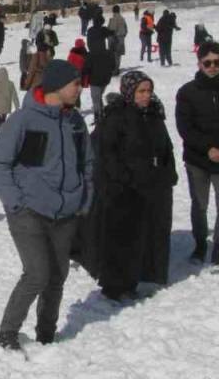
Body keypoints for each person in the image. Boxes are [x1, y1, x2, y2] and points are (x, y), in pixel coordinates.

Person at [0, 59, 94, 351]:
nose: (79, 88)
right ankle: (8, 332)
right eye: (75, 84)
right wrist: (16, 204)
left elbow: (87, 163)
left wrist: (84, 199)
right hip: (29, 211)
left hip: (67, 211)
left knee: (57, 276)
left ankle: (46, 334)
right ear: (58, 86)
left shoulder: (75, 121)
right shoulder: (23, 120)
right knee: (37, 273)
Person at [80, 71, 176, 301]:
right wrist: (124, 178)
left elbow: (165, 147)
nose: (146, 96)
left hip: (150, 186)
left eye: (148, 91)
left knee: (144, 235)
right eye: (141, 91)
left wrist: (168, 173)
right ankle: (114, 285)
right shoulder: (115, 116)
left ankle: (135, 279)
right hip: (122, 188)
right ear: (129, 92)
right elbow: (107, 153)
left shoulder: (153, 114)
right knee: (120, 238)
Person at [175, 41, 219, 268]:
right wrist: (208, 148)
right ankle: (200, 244)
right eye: (207, 63)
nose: (212, 67)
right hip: (197, 159)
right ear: (199, 64)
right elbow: (185, 127)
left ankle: (218, 250)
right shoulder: (187, 92)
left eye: (217, 62)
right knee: (199, 204)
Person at [85, 16, 116, 124]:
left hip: (94, 78)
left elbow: (86, 68)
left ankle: (98, 117)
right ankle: (101, 114)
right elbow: (113, 66)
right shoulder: (107, 53)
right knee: (98, 96)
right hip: (105, 78)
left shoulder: (90, 31)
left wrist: (83, 76)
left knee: (96, 98)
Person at [107, 5, 127, 74]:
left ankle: (114, 70)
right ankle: (116, 69)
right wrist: (122, 37)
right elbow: (126, 30)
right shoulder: (122, 19)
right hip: (121, 40)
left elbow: (111, 31)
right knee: (118, 56)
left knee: (114, 56)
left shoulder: (113, 19)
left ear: (113, 11)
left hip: (114, 41)